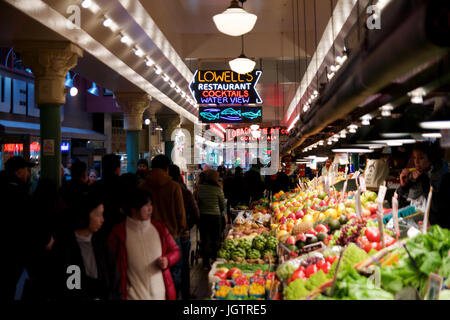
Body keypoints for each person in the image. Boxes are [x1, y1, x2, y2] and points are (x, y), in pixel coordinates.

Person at [108, 189, 180, 300]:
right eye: (145, 205)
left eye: (151, 204)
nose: (150, 208)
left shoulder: (159, 228)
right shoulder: (119, 233)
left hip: (161, 294)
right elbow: (110, 264)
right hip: (133, 296)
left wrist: (167, 260)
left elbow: (175, 250)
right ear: (133, 208)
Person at [50, 193, 121, 300]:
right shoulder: (66, 246)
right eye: (98, 215)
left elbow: (114, 279)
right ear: (84, 216)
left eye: (102, 214)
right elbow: (68, 286)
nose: (102, 219)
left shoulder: (101, 243)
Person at [140, 154, 186, 297]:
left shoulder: (142, 186)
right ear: (167, 169)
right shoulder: (174, 186)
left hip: (148, 237)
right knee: (174, 273)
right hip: (171, 237)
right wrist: (180, 229)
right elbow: (180, 214)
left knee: (152, 272)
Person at [0, 156, 35, 300]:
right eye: (27, 170)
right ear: (19, 172)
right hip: (12, 252)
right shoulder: (20, 194)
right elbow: (27, 224)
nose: (29, 174)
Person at [397, 142, 450, 228]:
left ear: (431, 159)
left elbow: (436, 209)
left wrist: (424, 180)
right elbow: (401, 209)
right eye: (414, 157)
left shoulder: (443, 177)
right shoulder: (414, 178)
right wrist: (404, 186)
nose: (416, 162)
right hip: (416, 227)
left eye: (421, 158)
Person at [169, 164, 200, 300]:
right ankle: (185, 294)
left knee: (170, 267)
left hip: (165, 235)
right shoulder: (184, 191)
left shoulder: (161, 190)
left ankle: (172, 294)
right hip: (182, 234)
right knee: (183, 265)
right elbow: (195, 213)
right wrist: (187, 226)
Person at [89, 154, 124, 238]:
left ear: (103, 169)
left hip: (100, 228)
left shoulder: (95, 186)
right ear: (117, 169)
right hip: (119, 227)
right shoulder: (123, 185)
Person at [197, 170, 226, 269]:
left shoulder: (200, 188)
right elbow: (222, 205)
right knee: (215, 238)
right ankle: (214, 260)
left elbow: (197, 202)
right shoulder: (218, 189)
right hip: (215, 217)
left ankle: (205, 262)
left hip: (203, 217)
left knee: (205, 239)